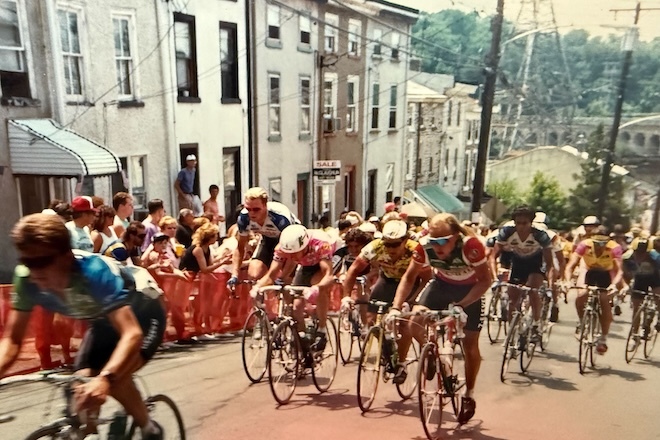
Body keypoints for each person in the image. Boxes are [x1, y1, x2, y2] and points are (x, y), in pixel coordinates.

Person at [1, 213, 166, 439]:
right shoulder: (27, 278)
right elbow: (12, 342)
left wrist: (105, 379)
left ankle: (149, 429)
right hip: (103, 320)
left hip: (144, 313)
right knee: (81, 387)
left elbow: (132, 333)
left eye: (41, 262)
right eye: (27, 262)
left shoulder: (93, 273)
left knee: (115, 379)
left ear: (65, 257)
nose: (34, 272)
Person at [389, 213, 490, 425]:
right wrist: (396, 307)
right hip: (442, 286)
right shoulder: (424, 247)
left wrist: (462, 306)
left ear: (455, 236)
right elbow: (409, 277)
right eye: (434, 241)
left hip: (471, 290)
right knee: (414, 320)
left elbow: (485, 281)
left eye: (443, 241)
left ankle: (469, 395)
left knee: (470, 344)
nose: (437, 247)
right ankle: (433, 352)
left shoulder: (471, 246)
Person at [252, 225, 336, 354]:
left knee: (319, 287)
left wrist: (316, 289)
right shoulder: (281, 248)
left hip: (322, 263)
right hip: (305, 266)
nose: (292, 256)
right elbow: (271, 275)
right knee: (296, 306)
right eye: (289, 254)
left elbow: (328, 275)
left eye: (295, 253)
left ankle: (322, 329)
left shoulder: (321, 244)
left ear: (305, 246)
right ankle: (302, 340)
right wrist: (257, 287)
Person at [488, 205, 555, 341]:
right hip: (518, 262)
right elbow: (492, 257)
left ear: (531, 223)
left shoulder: (540, 235)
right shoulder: (507, 232)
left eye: (525, 223)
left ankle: (536, 324)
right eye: (518, 223)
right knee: (513, 298)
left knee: (532, 290)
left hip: (535, 264)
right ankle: (513, 330)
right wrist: (495, 279)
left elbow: (550, 263)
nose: (521, 226)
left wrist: (549, 284)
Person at [565, 224, 623, 354]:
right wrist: (568, 281)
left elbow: (619, 271)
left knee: (604, 300)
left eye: (603, 243)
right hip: (589, 271)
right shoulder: (584, 245)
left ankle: (603, 338)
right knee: (581, 296)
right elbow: (571, 265)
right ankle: (581, 323)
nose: (599, 246)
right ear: (592, 239)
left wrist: (614, 285)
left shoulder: (615, 248)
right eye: (596, 243)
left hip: (606, 274)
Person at [227, 187, 298, 288]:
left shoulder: (279, 217)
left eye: (256, 209)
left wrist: (281, 277)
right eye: (248, 209)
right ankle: (259, 302)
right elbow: (240, 247)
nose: (251, 213)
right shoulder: (244, 218)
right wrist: (234, 275)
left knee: (285, 280)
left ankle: (286, 302)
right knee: (254, 274)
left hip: (291, 243)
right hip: (268, 239)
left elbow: (291, 250)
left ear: (265, 205)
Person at [623, 237, 660, 348]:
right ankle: (635, 335)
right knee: (636, 307)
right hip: (639, 280)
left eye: (643, 253)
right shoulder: (627, 258)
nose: (640, 255)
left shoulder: (656, 258)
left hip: (656, 278)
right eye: (637, 252)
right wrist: (625, 286)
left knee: (658, 297)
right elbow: (624, 273)